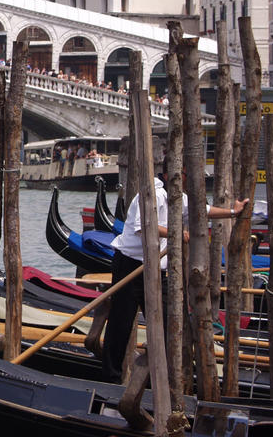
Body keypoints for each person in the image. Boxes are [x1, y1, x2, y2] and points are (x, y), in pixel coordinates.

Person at [101, 160, 249, 384]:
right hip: (131, 265)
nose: (189, 180)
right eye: (185, 175)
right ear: (170, 175)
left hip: (154, 269)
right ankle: (110, 378)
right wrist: (175, 233)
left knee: (167, 320)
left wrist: (232, 212)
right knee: (121, 321)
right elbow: (143, 227)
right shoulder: (152, 194)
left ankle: (164, 378)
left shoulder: (178, 198)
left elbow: (204, 211)